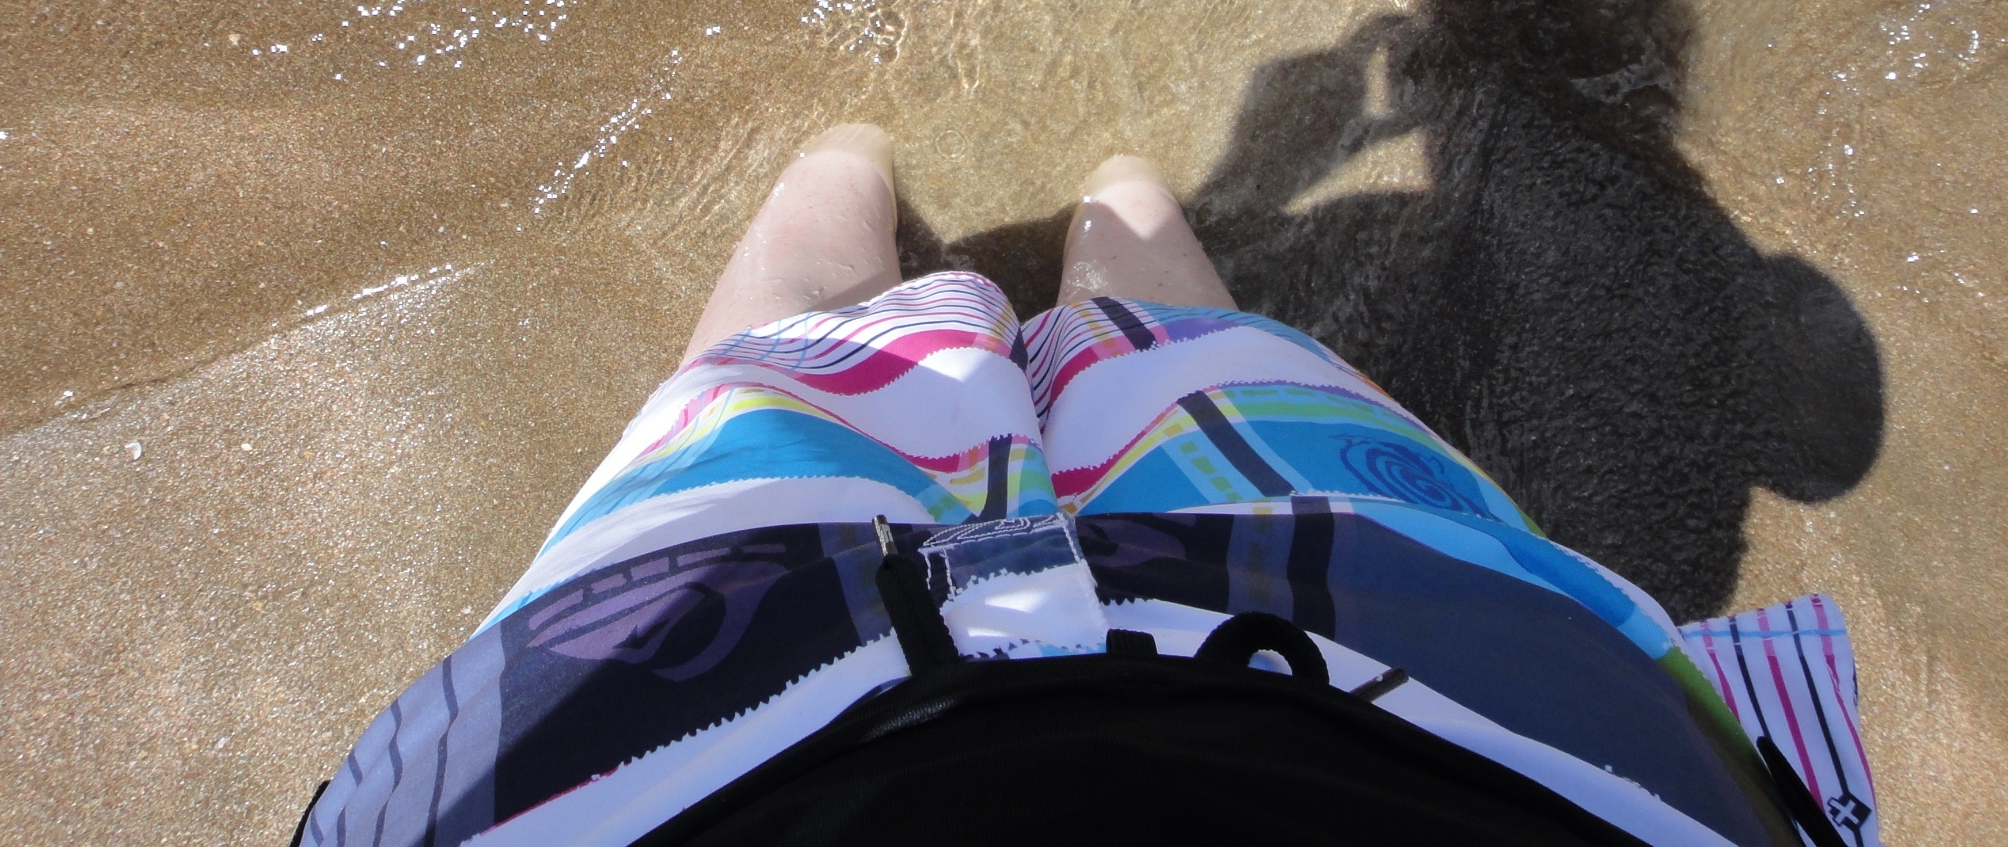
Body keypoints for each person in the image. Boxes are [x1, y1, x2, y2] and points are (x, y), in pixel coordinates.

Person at [293, 127, 1876, 846]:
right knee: (793, 382)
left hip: (1410, 692)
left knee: (1158, 347)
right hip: (687, 738)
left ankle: (950, 181)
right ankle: (962, 185)